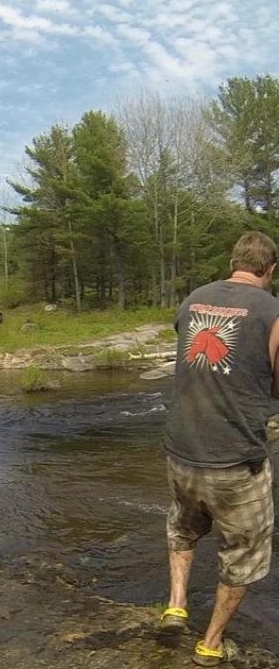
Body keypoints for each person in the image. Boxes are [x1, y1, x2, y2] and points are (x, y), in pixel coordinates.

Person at [160, 231, 279, 666]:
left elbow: (192, 356)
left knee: (183, 528)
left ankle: (175, 605)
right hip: (236, 458)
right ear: (270, 269)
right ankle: (210, 644)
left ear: (235, 262)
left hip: (182, 447)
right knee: (243, 555)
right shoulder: (273, 310)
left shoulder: (194, 298)